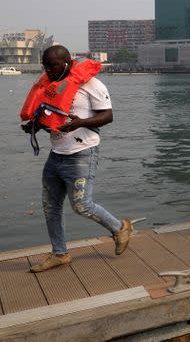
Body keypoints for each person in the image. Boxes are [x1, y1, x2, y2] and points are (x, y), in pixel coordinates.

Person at [19, 45, 133, 273]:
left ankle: (119, 228)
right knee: (51, 207)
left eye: (52, 65)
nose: (48, 70)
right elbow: (51, 117)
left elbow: (108, 116)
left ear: (67, 63)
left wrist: (80, 123)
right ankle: (60, 253)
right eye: (45, 66)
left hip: (82, 154)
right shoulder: (51, 86)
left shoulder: (91, 84)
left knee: (82, 205)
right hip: (56, 155)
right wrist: (35, 125)